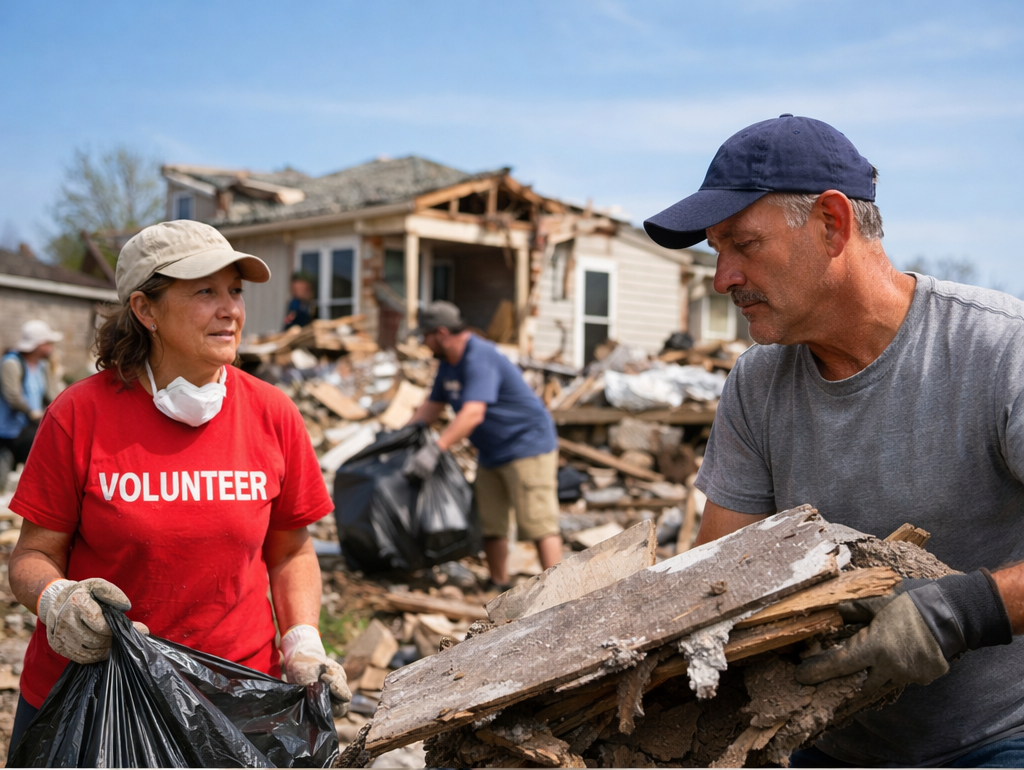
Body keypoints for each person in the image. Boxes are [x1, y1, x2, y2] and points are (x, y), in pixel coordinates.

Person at [643, 115, 1024, 767]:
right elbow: (719, 576)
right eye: (716, 251)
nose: (721, 278)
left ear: (832, 223)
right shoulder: (758, 382)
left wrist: (966, 611)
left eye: (742, 245)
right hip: (830, 738)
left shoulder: (998, 349)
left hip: (997, 736)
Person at [6, 220, 350, 756]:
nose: (231, 309)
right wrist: (57, 600)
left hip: (232, 700)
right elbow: (32, 555)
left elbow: (291, 551)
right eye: (205, 291)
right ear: (146, 310)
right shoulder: (80, 413)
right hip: (92, 698)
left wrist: (302, 640)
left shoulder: (272, 413)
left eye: (235, 290)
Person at [405, 301, 563, 590]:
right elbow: (431, 407)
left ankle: (562, 593)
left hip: (527, 444)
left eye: (424, 336)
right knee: (491, 522)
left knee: (538, 522)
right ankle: (498, 583)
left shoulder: (479, 356)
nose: (422, 343)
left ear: (440, 333)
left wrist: (436, 448)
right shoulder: (448, 365)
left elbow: (473, 413)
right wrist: (402, 437)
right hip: (491, 451)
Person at [0, 320, 63, 489]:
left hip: (27, 431)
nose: (51, 347)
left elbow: (50, 395)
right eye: (48, 343)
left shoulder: (42, 366)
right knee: (2, 477)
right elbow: (13, 396)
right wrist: (33, 413)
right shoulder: (11, 363)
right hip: (6, 433)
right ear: (37, 345)